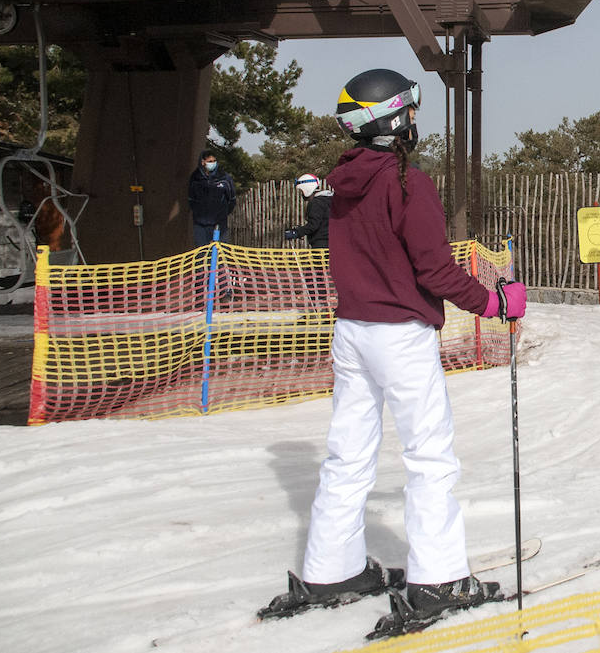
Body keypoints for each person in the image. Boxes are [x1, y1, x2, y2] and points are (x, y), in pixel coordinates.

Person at [261, 68, 528, 625]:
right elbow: (433, 269)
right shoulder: (408, 182)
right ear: (398, 119)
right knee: (429, 456)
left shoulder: (343, 181)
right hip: (400, 335)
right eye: (411, 113)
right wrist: (495, 303)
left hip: (352, 332)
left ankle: (330, 569)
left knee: (348, 453)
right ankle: (439, 579)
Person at [188, 149, 236, 246]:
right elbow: (191, 199)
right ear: (203, 162)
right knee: (201, 255)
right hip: (200, 224)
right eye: (210, 161)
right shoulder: (195, 178)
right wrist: (199, 214)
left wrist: (221, 215)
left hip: (219, 224)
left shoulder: (224, 178)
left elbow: (232, 200)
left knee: (219, 253)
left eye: (214, 161)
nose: (212, 163)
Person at [284, 173, 332, 249]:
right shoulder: (329, 200)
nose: (302, 194)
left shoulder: (316, 203)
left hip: (321, 243)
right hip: (334, 242)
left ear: (307, 189)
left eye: (302, 191)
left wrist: (296, 232)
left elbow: (313, 225)